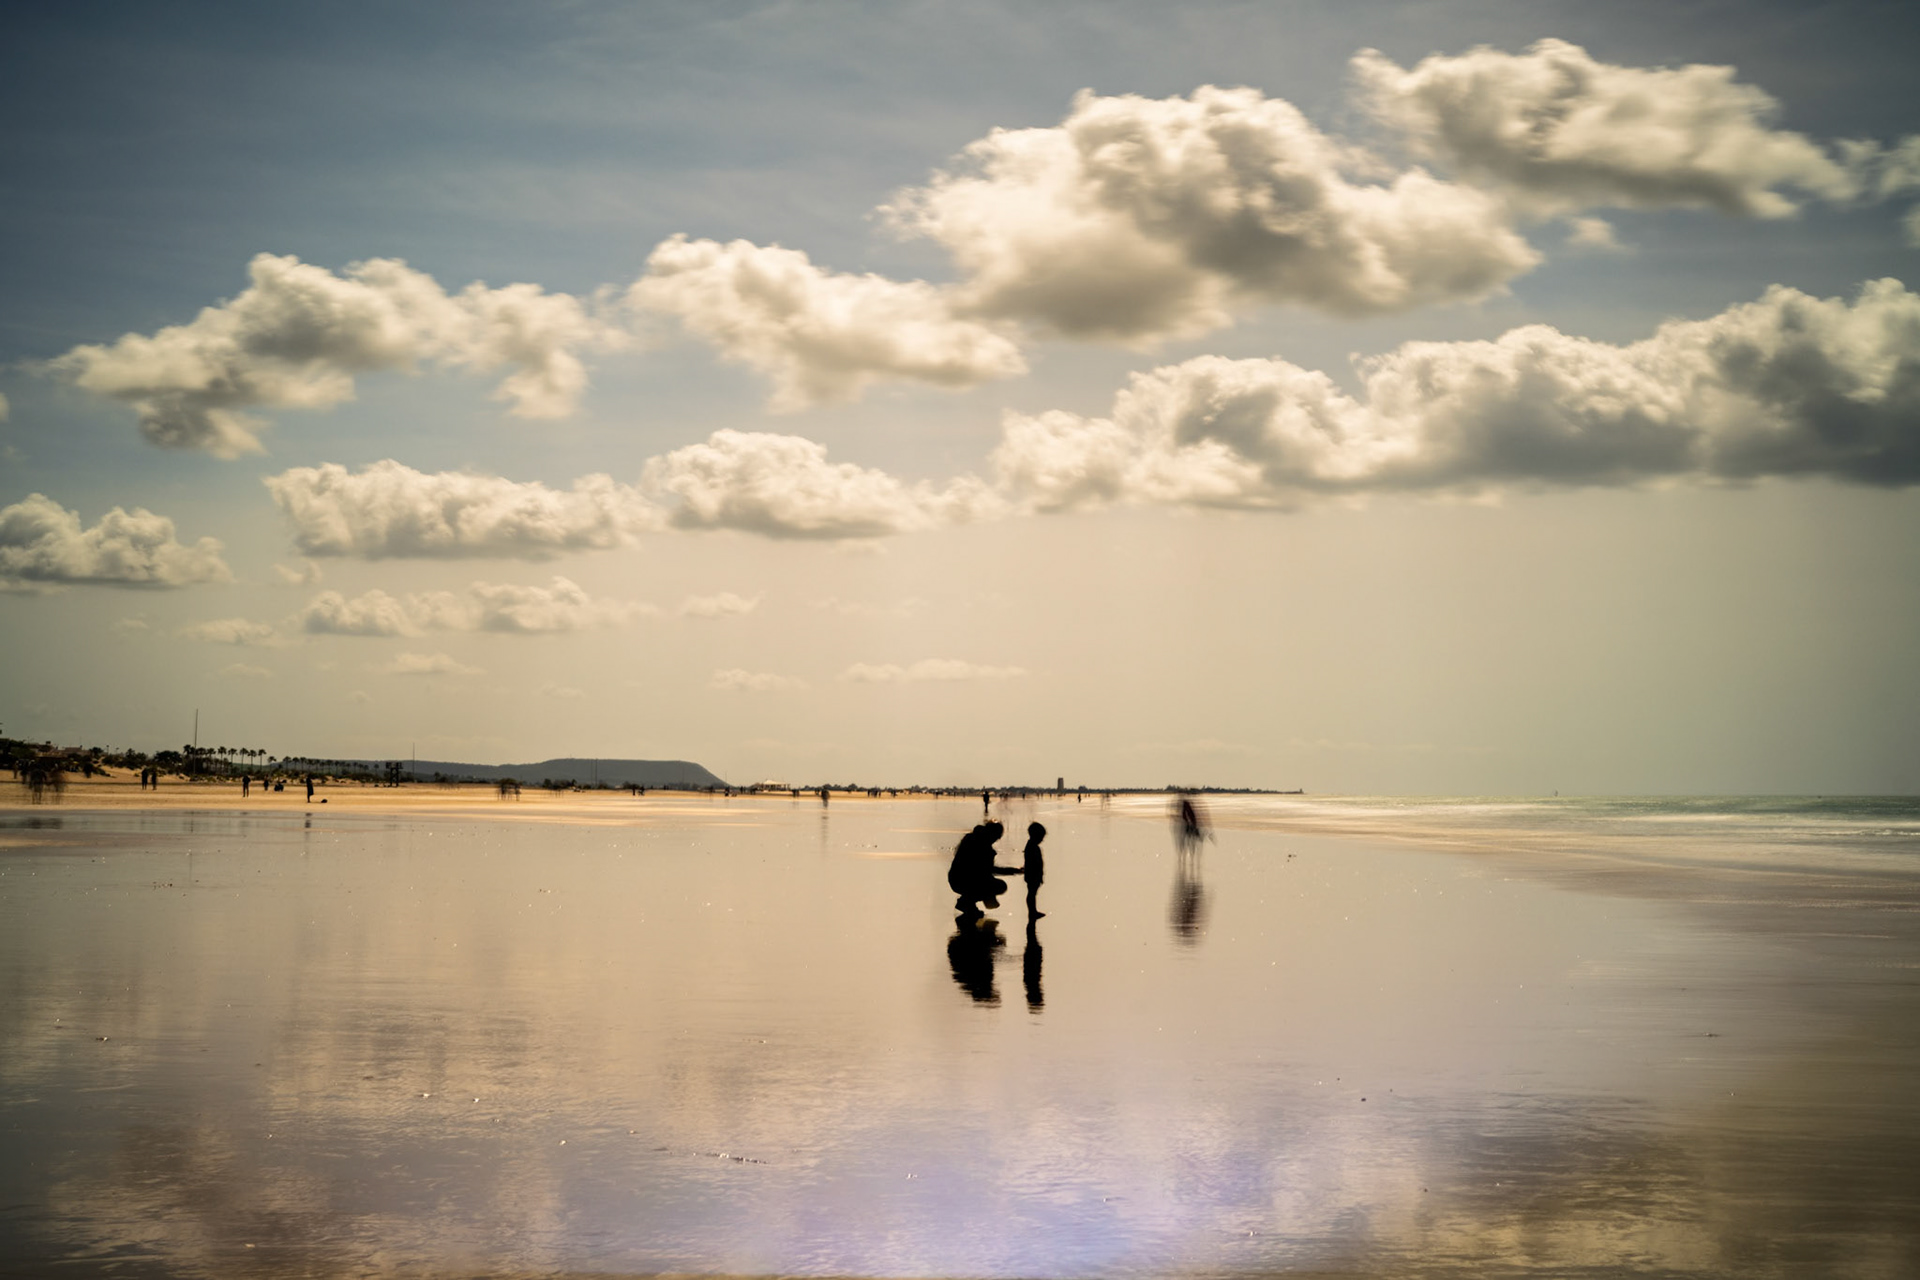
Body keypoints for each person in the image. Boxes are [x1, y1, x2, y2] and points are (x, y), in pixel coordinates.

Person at [948, 821, 1019, 915]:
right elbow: (987, 871)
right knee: (999, 886)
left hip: (955, 878)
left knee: (986, 880)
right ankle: (967, 901)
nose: (996, 840)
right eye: (997, 837)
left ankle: (969, 901)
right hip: (965, 881)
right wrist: (1012, 871)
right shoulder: (985, 849)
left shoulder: (970, 839)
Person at [1019, 821, 1046, 917]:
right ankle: (1032, 911)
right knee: (1031, 893)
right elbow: (1034, 862)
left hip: (1033, 874)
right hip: (1033, 874)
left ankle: (1033, 911)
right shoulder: (1032, 847)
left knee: (1032, 893)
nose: (1042, 840)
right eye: (1041, 837)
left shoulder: (1031, 846)